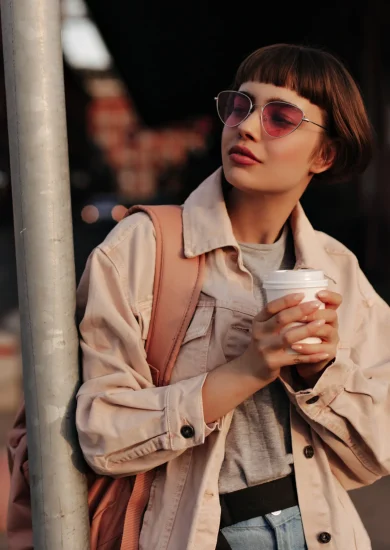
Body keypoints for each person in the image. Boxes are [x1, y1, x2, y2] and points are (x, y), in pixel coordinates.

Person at [75, 43, 390, 550]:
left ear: (325, 154)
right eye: (240, 106)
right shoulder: (142, 247)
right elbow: (101, 435)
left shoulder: (338, 271)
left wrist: (321, 374)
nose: (245, 126)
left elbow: (377, 452)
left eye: (281, 117)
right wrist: (247, 369)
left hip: (319, 529)